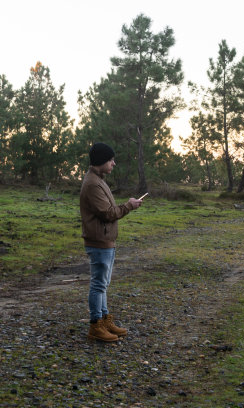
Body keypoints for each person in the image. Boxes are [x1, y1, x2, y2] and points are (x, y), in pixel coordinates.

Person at [80, 142, 143, 342]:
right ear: (102, 161)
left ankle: (105, 320)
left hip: (105, 240)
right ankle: (95, 325)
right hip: (99, 242)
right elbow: (108, 213)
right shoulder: (92, 183)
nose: (114, 163)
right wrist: (129, 206)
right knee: (98, 284)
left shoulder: (99, 180)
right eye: (111, 160)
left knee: (103, 284)